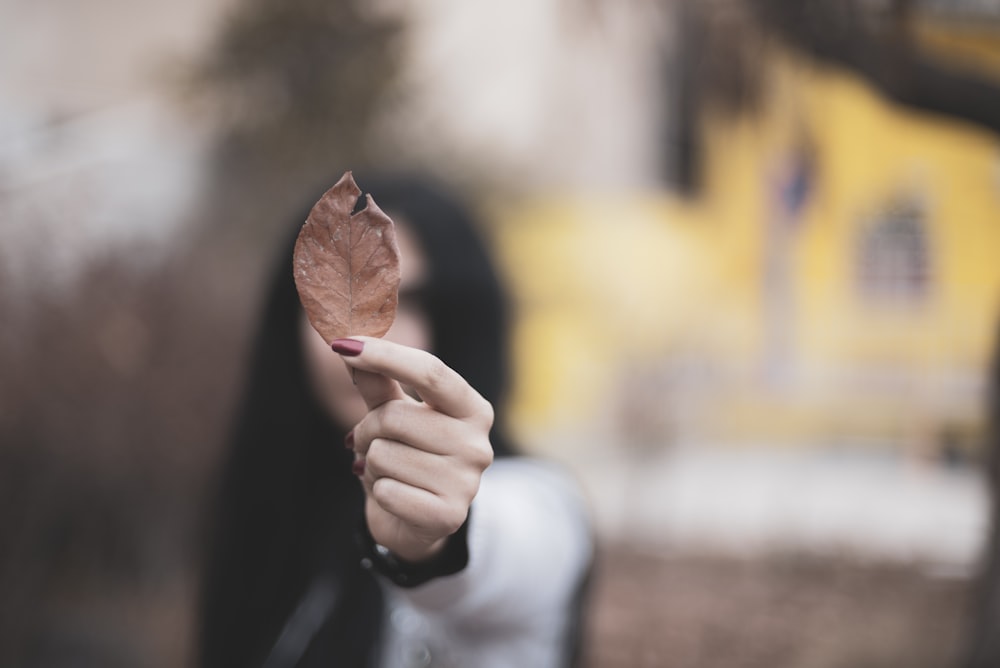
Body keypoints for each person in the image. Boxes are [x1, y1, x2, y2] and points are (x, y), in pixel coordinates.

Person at [196, 173, 594, 667]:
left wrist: (433, 538)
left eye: (407, 300)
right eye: (339, 296)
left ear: (461, 324)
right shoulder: (271, 510)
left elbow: (503, 552)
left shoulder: (538, 504)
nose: (373, 343)